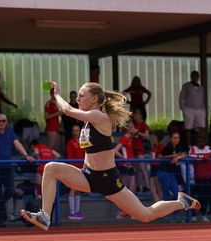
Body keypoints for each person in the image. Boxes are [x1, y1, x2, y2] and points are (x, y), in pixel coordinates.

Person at [21, 82, 200, 231]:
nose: (77, 98)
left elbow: (67, 110)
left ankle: (181, 202)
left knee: (146, 215)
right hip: (88, 176)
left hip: (108, 180)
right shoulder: (87, 120)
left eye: (81, 95)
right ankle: (45, 216)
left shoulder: (99, 116)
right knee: (51, 168)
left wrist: (57, 95)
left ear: (94, 99)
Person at [188, 135, 211, 222]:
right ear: (196, 142)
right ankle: (193, 215)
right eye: (199, 141)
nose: (201, 143)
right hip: (197, 178)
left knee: (205, 197)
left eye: (203, 141)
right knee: (196, 197)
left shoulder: (208, 148)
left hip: (209, 177)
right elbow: (191, 156)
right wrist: (204, 157)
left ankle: (203, 214)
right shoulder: (193, 148)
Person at [157, 132, 188, 205]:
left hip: (172, 173)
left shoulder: (179, 146)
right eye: (174, 138)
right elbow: (160, 156)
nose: (176, 140)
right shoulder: (168, 147)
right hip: (164, 172)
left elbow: (184, 154)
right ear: (171, 139)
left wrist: (178, 157)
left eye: (178, 138)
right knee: (166, 194)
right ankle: (165, 214)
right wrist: (173, 156)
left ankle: (175, 214)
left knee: (176, 193)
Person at [114, 122, 137, 219]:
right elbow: (115, 150)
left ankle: (130, 211)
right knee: (125, 190)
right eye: (132, 127)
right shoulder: (125, 138)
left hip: (129, 165)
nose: (135, 128)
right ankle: (121, 212)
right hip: (125, 166)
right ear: (128, 128)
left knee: (132, 190)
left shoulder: (130, 138)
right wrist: (124, 158)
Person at [179, 71, 206, 146]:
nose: (195, 78)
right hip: (189, 109)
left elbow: (202, 99)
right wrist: (183, 108)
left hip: (200, 109)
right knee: (188, 127)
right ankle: (189, 145)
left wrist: (203, 110)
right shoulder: (186, 86)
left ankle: (200, 143)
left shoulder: (201, 88)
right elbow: (182, 97)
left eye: (196, 76)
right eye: (193, 76)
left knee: (202, 126)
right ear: (191, 77)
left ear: (198, 77)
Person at [66, 124, 86, 220]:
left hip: (82, 169)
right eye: (74, 130)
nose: (75, 132)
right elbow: (70, 157)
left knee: (78, 190)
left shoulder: (83, 141)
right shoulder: (70, 143)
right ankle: (72, 213)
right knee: (73, 189)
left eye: (77, 130)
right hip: (74, 169)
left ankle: (77, 211)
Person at [131, 109, 151, 192]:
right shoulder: (133, 124)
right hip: (133, 148)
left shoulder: (143, 125)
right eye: (134, 115)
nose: (135, 117)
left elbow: (147, 136)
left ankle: (148, 186)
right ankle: (140, 187)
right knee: (137, 169)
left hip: (140, 149)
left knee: (143, 168)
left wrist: (138, 133)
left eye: (137, 115)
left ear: (140, 115)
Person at [149, 130, 164, 202]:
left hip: (158, 168)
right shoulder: (154, 146)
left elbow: (162, 157)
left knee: (158, 188)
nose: (152, 138)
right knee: (152, 188)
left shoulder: (162, 146)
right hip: (153, 168)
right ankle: (157, 205)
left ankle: (160, 205)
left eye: (154, 136)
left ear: (157, 137)